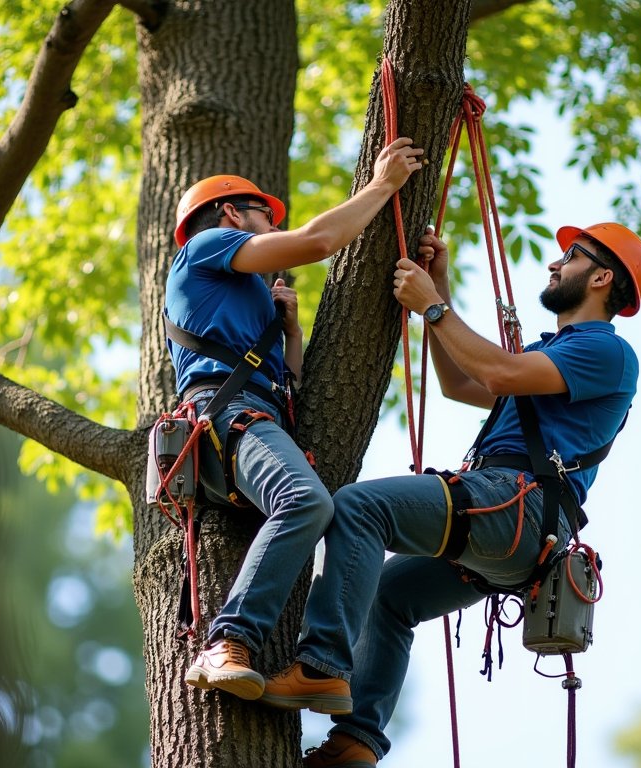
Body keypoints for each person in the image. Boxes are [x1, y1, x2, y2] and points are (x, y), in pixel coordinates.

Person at [256, 221, 641, 766]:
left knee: (359, 506)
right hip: (512, 533)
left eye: (571, 256)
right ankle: (357, 742)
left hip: (516, 506)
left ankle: (322, 665)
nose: (554, 264)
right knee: (388, 596)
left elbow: (496, 372)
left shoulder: (607, 352)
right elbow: (459, 383)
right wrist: (436, 293)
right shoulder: (554, 352)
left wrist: (434, 308)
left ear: (602, 277)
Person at [170, 137, 425, 700]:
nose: (268, 221)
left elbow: (292, 389)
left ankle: (322, 664)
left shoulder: (245, 296)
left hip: (254, 417)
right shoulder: (208, 244)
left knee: (334, 516)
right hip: (227, 416)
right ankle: (226, 640)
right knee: (307, 501)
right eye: (263, 212)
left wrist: (290, 334)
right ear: (232, 214)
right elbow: (317, 241)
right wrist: (383, 184)